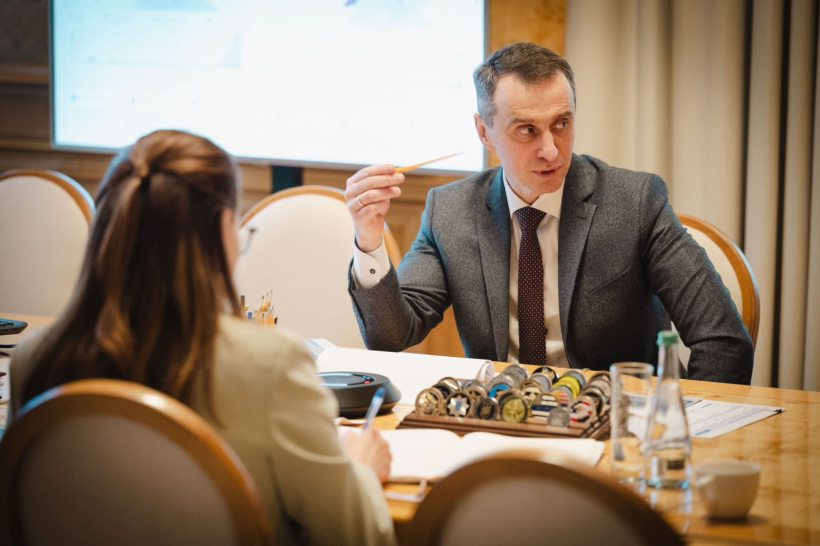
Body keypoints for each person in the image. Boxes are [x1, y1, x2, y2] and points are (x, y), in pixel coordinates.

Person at [9, 130, 396, 546]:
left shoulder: (33, 357)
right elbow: (359, 537)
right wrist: (360, 469)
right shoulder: (270, 365)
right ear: (221, 230)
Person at [345, 42, 754, 384]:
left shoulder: (636, 202)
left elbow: (722, 340)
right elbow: (392, 336)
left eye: (561, 124)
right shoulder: (450, 211)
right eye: (527, 130)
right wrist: (369, 237)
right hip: (503, 422)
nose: (551, 151)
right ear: (484, 132)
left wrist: (682, 426)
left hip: (621, 422)